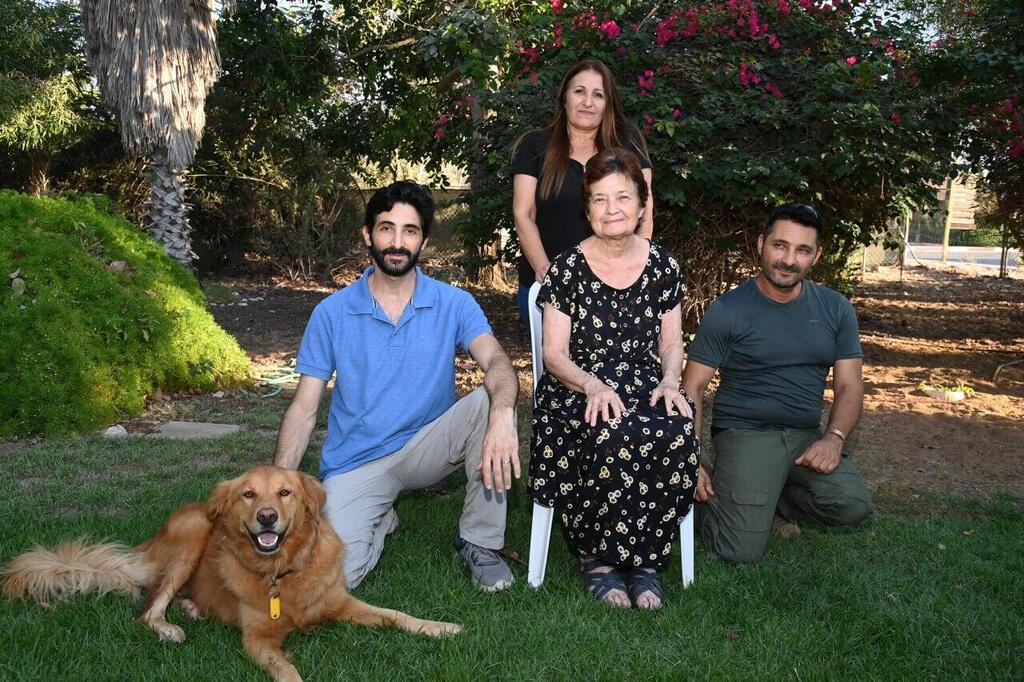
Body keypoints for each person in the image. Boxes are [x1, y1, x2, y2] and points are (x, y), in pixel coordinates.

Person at [274, 181, 521, 591]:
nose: (397, 242)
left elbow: (497, 361)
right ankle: (379, 517)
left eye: (410, 231)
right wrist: (277, 483)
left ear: (423, 241)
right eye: (387, 228)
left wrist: (502, 416)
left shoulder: (454, 303)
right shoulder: (331, 313)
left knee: (490, 401)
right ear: (368, 235)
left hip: (428, 447)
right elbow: (303, 408)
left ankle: (480, 541)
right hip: (357, 462)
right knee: (327, 582)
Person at [531, 147, 699, 610]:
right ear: (587, 209)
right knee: (609, 427)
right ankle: (598, 559)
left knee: (675, 428)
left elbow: (671, 343)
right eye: (600, 199)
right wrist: (592, 385)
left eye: (623, 197)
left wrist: (670, 380)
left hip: (646, 381)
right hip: (576, 384)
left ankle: (645, 560)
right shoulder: (566, 269)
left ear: (642, 205)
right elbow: (554, 355)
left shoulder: (664, 266)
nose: (612, 210)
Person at [680, 203, 873, 563]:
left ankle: (770, 498)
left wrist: (833, 439)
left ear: (817, 256)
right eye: (780, 245)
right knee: (739, 551)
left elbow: (849, 385)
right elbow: (692, 388)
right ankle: (709, 504)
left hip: (804, 436)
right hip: (746, 433)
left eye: (802, 250)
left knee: (852, 503)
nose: (788, 260)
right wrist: (689, 458)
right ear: (761, 244)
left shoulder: (835, 308)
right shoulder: (728, 310)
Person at [512, 58, 654, 324]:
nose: (588, 102)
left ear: (608, 104)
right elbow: (523, 214)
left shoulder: (628, 144)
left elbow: (645, 212)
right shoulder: (534, 146)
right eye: (579, 91)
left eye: (598, 94)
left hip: (617, 287)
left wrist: (636, 273)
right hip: (547, 285)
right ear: (564, 97)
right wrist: (548, 273)